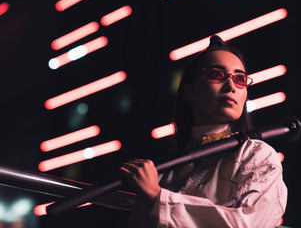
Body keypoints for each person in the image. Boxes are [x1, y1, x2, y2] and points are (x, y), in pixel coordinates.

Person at [119, 35, 287, 227]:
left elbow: (247, 224)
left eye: (240, 79)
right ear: (188, 91)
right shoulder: (166, 172)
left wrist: (157, 197)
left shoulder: (256, 155)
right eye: (216, 74)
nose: (231, 86)